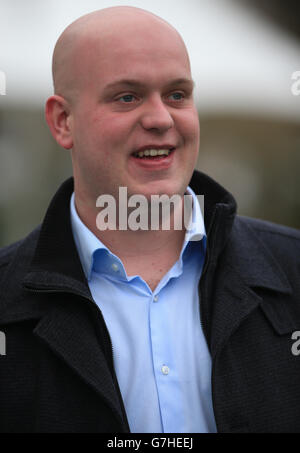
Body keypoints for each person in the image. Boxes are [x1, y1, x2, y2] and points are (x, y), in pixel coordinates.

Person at [0, 6, 300, 434]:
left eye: (177, 94)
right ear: (63, 121)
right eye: (127, 96)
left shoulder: (292, 269)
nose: (161, 119)